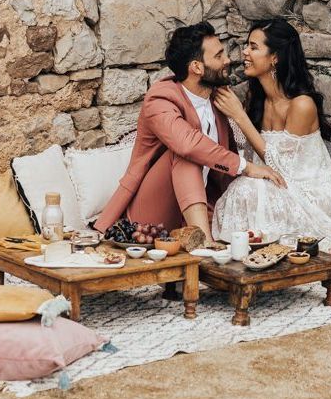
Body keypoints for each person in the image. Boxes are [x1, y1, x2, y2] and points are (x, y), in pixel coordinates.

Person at [212, 19, 331, 283]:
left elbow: (283, 171)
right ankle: (251, 258)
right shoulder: (257, 100)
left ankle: (325, 252)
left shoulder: (302, 105)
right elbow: (249, 153)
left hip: (310, 193)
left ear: (275, 58)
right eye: (246, 45)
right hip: (274, 185)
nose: (244, 52)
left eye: (253, 47)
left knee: (250, 187)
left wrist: (239, 117)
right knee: (244, 186)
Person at [94, 22, 285, 243]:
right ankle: (204, 244)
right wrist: (247, 167)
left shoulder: (219, 98)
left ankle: (206, 237)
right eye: (219, 55)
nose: (228, 60)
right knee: (186, 153)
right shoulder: (160, 97)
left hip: (200, 211)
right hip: (149, 217)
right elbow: (188, 144)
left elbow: (220, 169)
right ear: (197, 67)